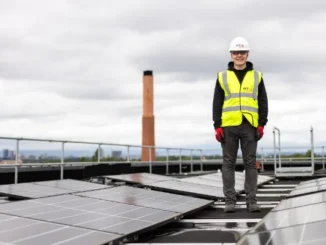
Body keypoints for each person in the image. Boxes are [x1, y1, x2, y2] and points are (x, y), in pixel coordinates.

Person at [212, 37, 268, 213]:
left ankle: (252, 201)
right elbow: (217, 102)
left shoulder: (257, 76)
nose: (239, 55)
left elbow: (263, 101)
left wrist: (261, 124)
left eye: (242, 52)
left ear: (247, 54)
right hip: (229, 126)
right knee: (228, 164)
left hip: (250, 126)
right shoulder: (222, 77)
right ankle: (230, 201)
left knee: (250, 163)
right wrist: (217, 126)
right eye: (236, 52)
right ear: (231, 54)